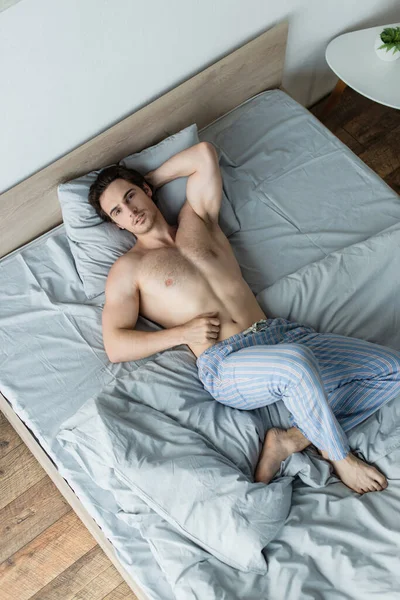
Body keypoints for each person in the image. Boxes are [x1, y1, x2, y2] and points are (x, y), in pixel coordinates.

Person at [88, 141, 400, 495]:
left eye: (130, 197)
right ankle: (340, 457)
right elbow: (115, 344)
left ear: (146, 190)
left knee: (392, 369)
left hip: (281, 335)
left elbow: (204, 154)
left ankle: (291, 439)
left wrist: (150, 178)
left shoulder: (197, 219)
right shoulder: (129, 269)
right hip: (226, 363)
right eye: (116, 211)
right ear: (115, 224)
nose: (129, 211)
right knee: (296, 365)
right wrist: (181, 333)